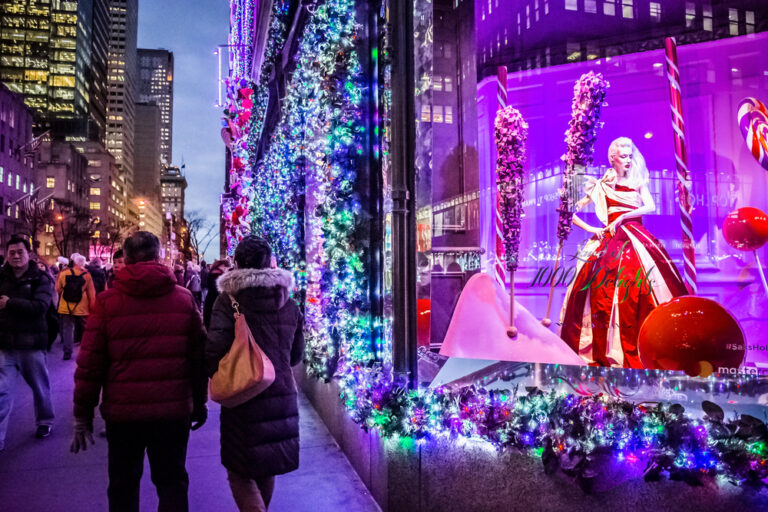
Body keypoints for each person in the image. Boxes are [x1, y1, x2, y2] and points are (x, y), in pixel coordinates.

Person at [71, 231, 207, 512]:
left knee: (123, 485)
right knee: (172, 483)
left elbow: (90, 366)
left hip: (124, 415)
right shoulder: (183, 300)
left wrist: (83, 415)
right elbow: (199, 358)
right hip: (172, 412)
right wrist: (199, 401)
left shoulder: (107, 303)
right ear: (158, 257)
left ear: (127, 258)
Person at [559, 137, 688, 368]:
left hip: (637, 238)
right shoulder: (601, 185)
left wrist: (622, 217)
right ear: (613, 158)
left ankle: (653, 342)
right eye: (623, 156)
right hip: (608, 242)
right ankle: (606, 347)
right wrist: (593, 229)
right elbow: (568, 212)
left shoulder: (639, 182)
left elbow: (650, 206)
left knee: (646, 286)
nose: (628, 160)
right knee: (600, 292)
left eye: (630, 155)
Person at [207, 235, 304, 512]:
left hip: (243, 395)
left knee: (239, 471)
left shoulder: (229, 301)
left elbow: (214, 351)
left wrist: (223, 373)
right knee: (266, 465)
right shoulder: (289, 303)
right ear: (269, 262)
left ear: (236, 263)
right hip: (281, 393)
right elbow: (296, 356)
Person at [0, 237, 56, 451]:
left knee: (40, 387)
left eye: (20, 252)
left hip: (32, 344)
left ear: (29, 254)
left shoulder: (40, 278)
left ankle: (44, 421)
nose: (15, 256)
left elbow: (41, 306)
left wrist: (10, 304)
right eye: (12, 252)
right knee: (2, 391)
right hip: (5, 345)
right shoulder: (1, 277)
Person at [56, 253, 96, 360]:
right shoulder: (87, 275)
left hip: (66, 306)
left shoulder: (64, 273)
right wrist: (92, 308)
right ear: (83, 263)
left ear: (73, 262)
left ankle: (67, 352)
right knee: (84, 329)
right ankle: (85, 351)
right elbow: (91, 294)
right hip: (82, 306)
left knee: (67, 329)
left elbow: (58, 289)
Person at [203, 259, 230, 329]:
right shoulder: (217, 274)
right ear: (221, 265)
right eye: (225, 266)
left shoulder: (213, 273)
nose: (226, 268)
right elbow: (217, 289)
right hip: (216, 302)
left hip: (210, 300)